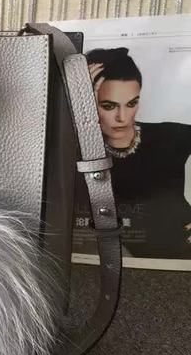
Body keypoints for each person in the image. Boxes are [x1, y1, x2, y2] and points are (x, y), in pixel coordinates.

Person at [74, 47, 191, 259]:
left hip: (178, 256)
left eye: (131, 103)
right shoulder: (71, 149)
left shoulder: (169, 136)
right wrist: (75, 110)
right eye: (108, 106)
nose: (122, 117)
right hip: (112, 264)